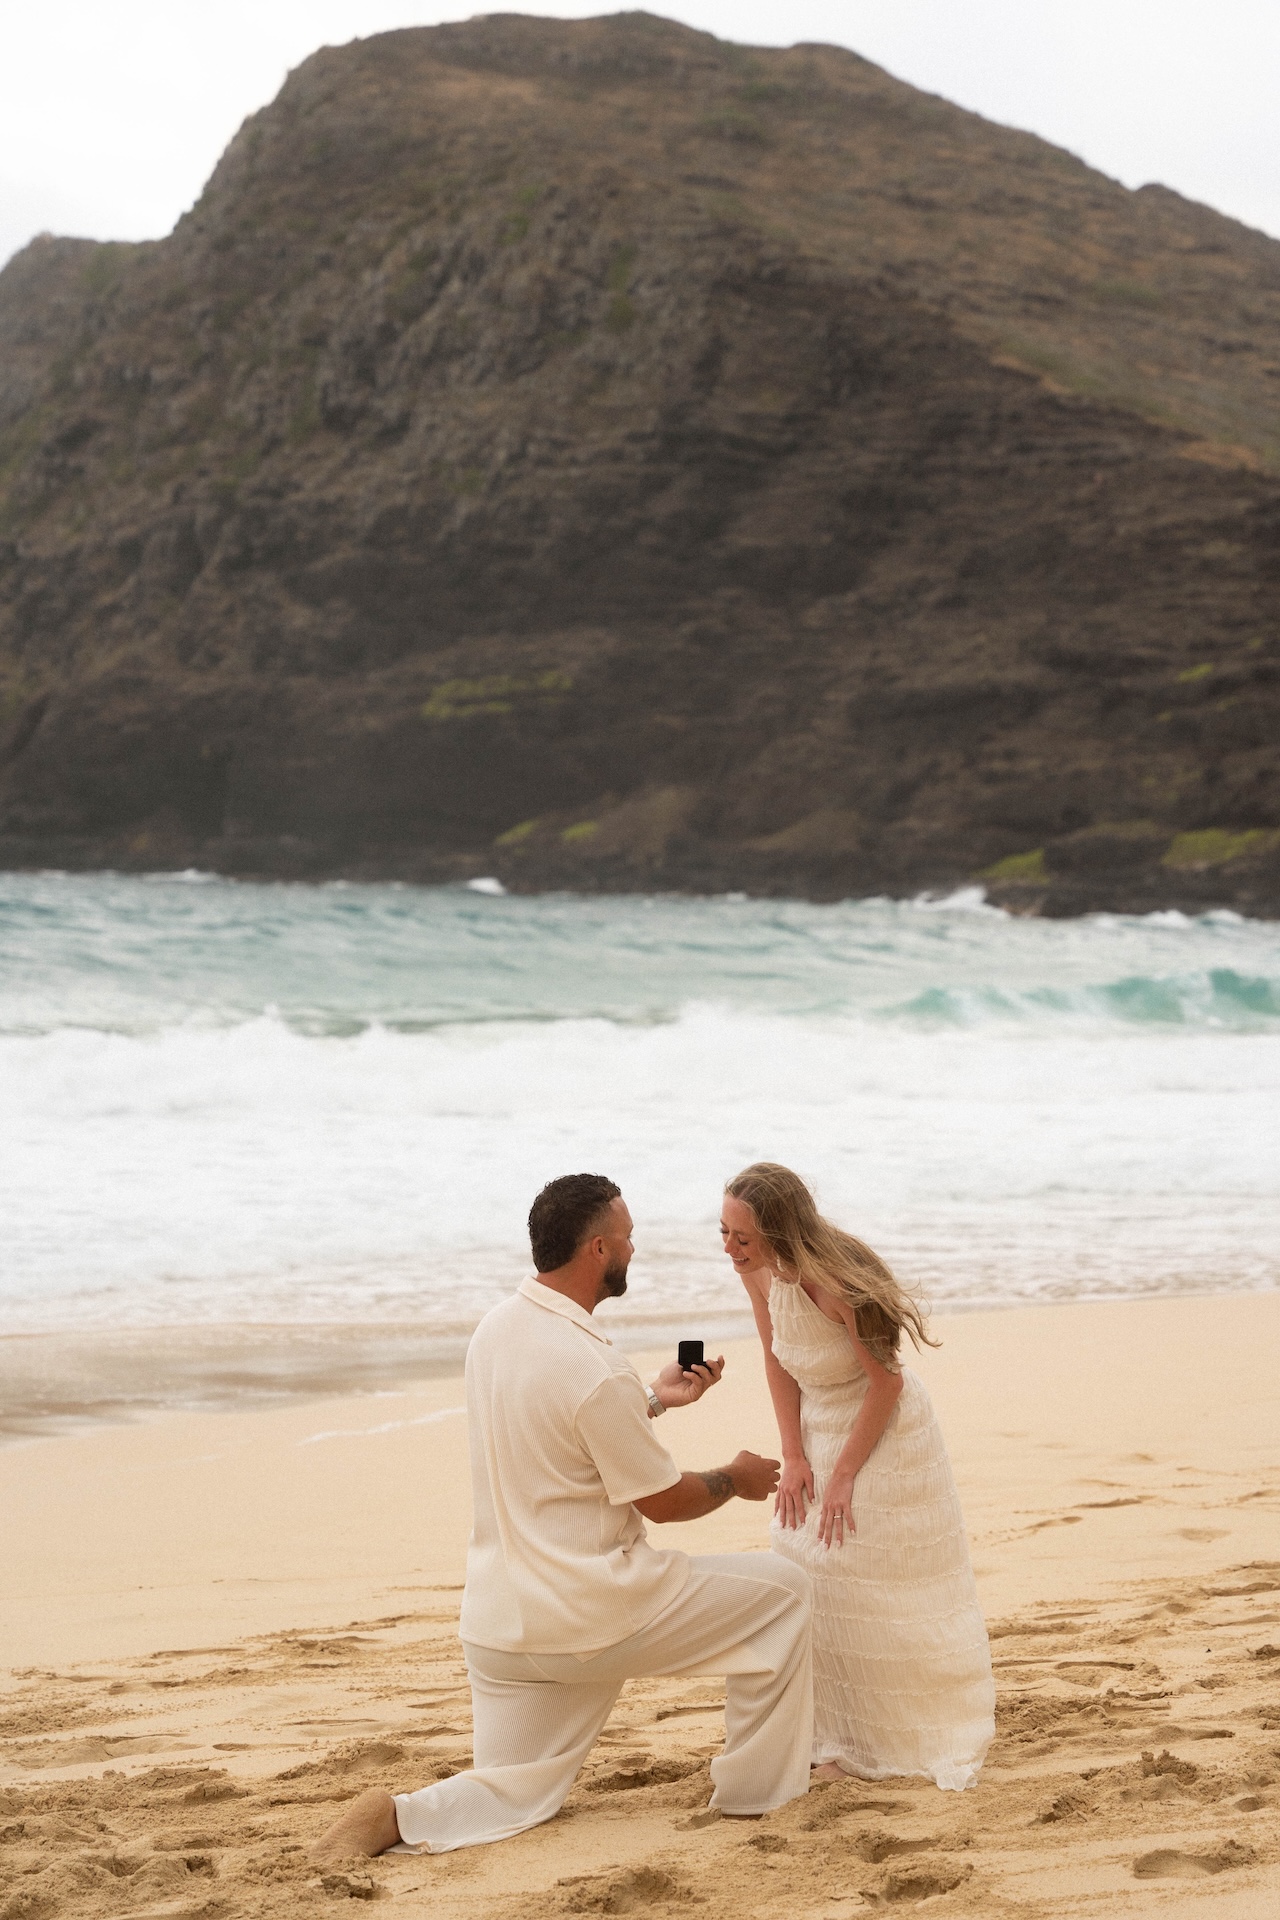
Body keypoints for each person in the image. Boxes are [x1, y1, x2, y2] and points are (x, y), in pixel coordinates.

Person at [312, 1172, 813, 1864]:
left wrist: (652, 1400)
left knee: (515, 1790)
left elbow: (559, 1437)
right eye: (628, 1237)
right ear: (597, 1249)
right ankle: (757, 1795)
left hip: (500, 1627)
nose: (634, 1248)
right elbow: (665, 1502)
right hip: (592, 1616)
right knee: (788, 1595)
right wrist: (738, 1479)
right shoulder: (594, 1367)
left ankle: (399, 1816)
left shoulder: (496, 1330)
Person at [721, 1162, 994, 1790]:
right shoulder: (758, 1273)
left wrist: (843, 1473)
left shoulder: (839, 1282)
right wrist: (793, 1455)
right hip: (817, 1423)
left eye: (743, 1236)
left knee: (860, 1572)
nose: (730, 1248)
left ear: (779, 1230)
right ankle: (831, 1736)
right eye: (724, 1233)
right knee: (799, 1557)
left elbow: (886, 1382)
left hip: (885, 1430)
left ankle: (886, 1737)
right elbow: (776, 1359)